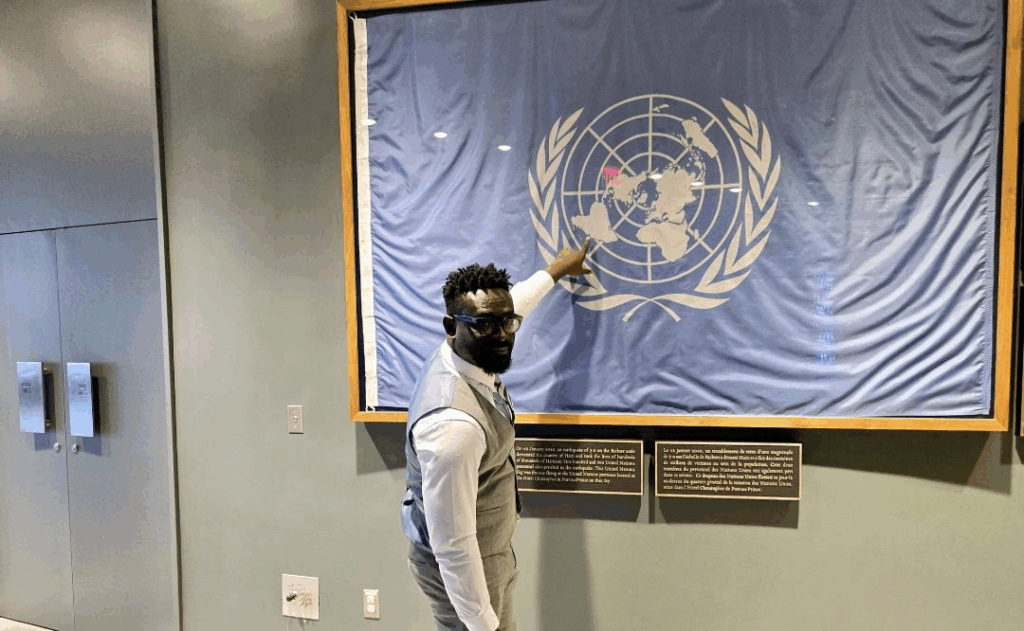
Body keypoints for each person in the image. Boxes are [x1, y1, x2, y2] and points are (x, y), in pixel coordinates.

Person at [401, 239, 592, 631]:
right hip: (466, 569)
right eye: (487, 325)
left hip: (488, 552)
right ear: (451, 328)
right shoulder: (453, 427)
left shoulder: (464, 351)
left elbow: (510, 306)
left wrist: (555, 270)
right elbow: (453, 545)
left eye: (508, 323)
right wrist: (482, 623)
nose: (503, 334)